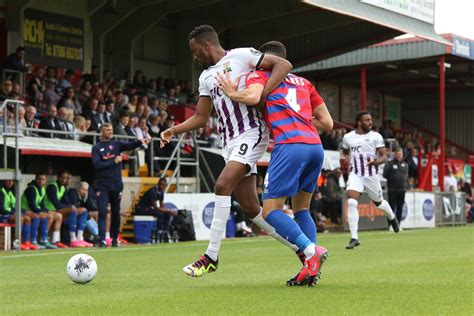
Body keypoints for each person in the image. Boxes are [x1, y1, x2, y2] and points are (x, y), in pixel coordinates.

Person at [160, 25, 295, 278]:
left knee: (222, 185)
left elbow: (284, 65)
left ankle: (211, 256)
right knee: (251, 208)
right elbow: (201, 117)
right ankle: (302, 249)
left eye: (194, 51)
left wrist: (263, 95)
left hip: (252, 132)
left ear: (205, 45)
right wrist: (173, 130)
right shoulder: (205, 78)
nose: (194, 56)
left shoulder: (243, 56)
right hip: (229, 142)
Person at [216, 40, 333, 286]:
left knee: (271, 211)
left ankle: (311, 252)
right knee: (302, 209)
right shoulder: (304, 83)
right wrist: (301, 121)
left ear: (264, 58)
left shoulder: (260, 75)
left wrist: (232, 93)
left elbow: (253, 97)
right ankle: (310, 270)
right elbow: (328, 123)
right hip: (314, 146)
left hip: (289, 146)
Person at [341, 111, 399, 250]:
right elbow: (345, 152)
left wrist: (376, 162)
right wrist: (344, 159)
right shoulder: (348, 137)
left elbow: (384, 156)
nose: (370, 122)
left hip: (371, 175)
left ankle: (391, 217)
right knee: (352, 201)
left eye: (371, 120)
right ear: (359, 122)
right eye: (367, 120)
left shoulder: (376, 136)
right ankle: (354, 237)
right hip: (355, 174)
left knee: (378, 202)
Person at [92, 123, 148, 247]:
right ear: (102, 131)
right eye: (107, 130)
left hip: (116, 185)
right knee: (102, 212)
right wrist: (113, 161)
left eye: (111, 129)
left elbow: (130, 145)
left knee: (116, 213)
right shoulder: (96, 148)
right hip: (102, 185)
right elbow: (97, 165)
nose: (110, 131)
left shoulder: (116, 145)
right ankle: (102, 239)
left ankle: (114, 238)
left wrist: (141, 139)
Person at [43, 170, 86, 248]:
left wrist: (70, 206)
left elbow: (66, 201)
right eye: (62, 177)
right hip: (49, 210)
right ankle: (73, 239)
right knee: (72, 210)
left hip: (57, 210)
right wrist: (69, 207)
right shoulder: (52, 187)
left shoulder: (63, 188)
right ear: (58, 177)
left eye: (65, 178)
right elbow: (56, 204)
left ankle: (79, 238)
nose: (63, 180)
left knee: (83, 210)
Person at [0, 180, 40, 250]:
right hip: (3, 215)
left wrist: (19, 211)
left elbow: (15, 206)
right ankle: (17, 243)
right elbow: (1, 209)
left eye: (11, 181)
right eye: (8, 181)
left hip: (11, 213)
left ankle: (27, 242)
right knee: (20, 218)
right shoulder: (1, 191)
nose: (10, 183)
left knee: (28, 218)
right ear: (4, 181)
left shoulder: (12, 191)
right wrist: (14, 212)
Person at [135, 178, 177, 243]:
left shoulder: (161, 193)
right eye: (161, 185)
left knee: (167, 214)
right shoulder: (153, 192)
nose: (162, 187)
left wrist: (168, 212)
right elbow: (156, 207)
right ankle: (159, 232)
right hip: (141, 208)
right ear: (158, 184)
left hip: (149, 208)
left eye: (164, 185)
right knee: (160, 214)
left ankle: (165, 232)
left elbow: (162, 206)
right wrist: (170, 211)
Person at [20, 173, 55, 249]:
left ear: (45, 181)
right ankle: (34, 241)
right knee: (38, 217)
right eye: (39, 179)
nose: (40, 181)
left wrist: (46, 211)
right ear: (36, 179)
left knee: (47, 217)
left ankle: (44, 240)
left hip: (32, 210)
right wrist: (42, 212)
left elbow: (42, 204)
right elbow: (32, 205)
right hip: (24, 210)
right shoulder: (31, 189)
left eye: (43, 179)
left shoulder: (42, 189)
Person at [383, 148, 409, 226]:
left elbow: (406, 176)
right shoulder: (390, 164)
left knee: (400, 208)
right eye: (397, 154)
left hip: (402, 189)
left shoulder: (405, 165)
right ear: (395, 154)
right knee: (391, 208)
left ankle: (398, 225)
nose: (399, 155)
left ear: (402, 155)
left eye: (400, 154)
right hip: (392, 189)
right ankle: (390, 225)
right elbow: (385, 175)